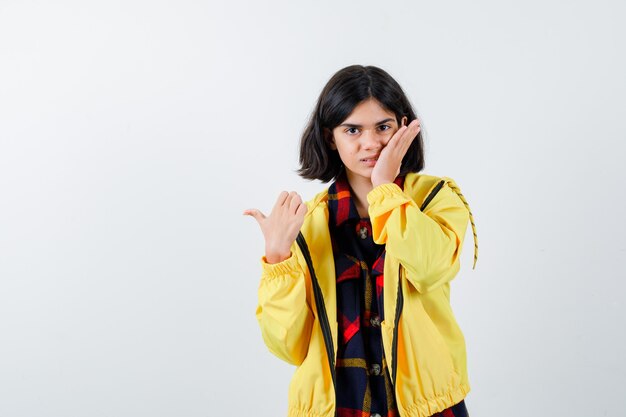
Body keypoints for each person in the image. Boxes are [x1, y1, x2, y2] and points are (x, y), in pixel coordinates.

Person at [243, 65, 478, 417]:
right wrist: (278, 259)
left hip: (426, 406)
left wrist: (385, 189)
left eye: (383, 127)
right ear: (329, 138)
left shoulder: (434, 199)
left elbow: (430, 270)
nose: (371, 143)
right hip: (339, 407)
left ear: (403, 127)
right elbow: (287, 346)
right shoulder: (306, 224)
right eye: (352, 129)